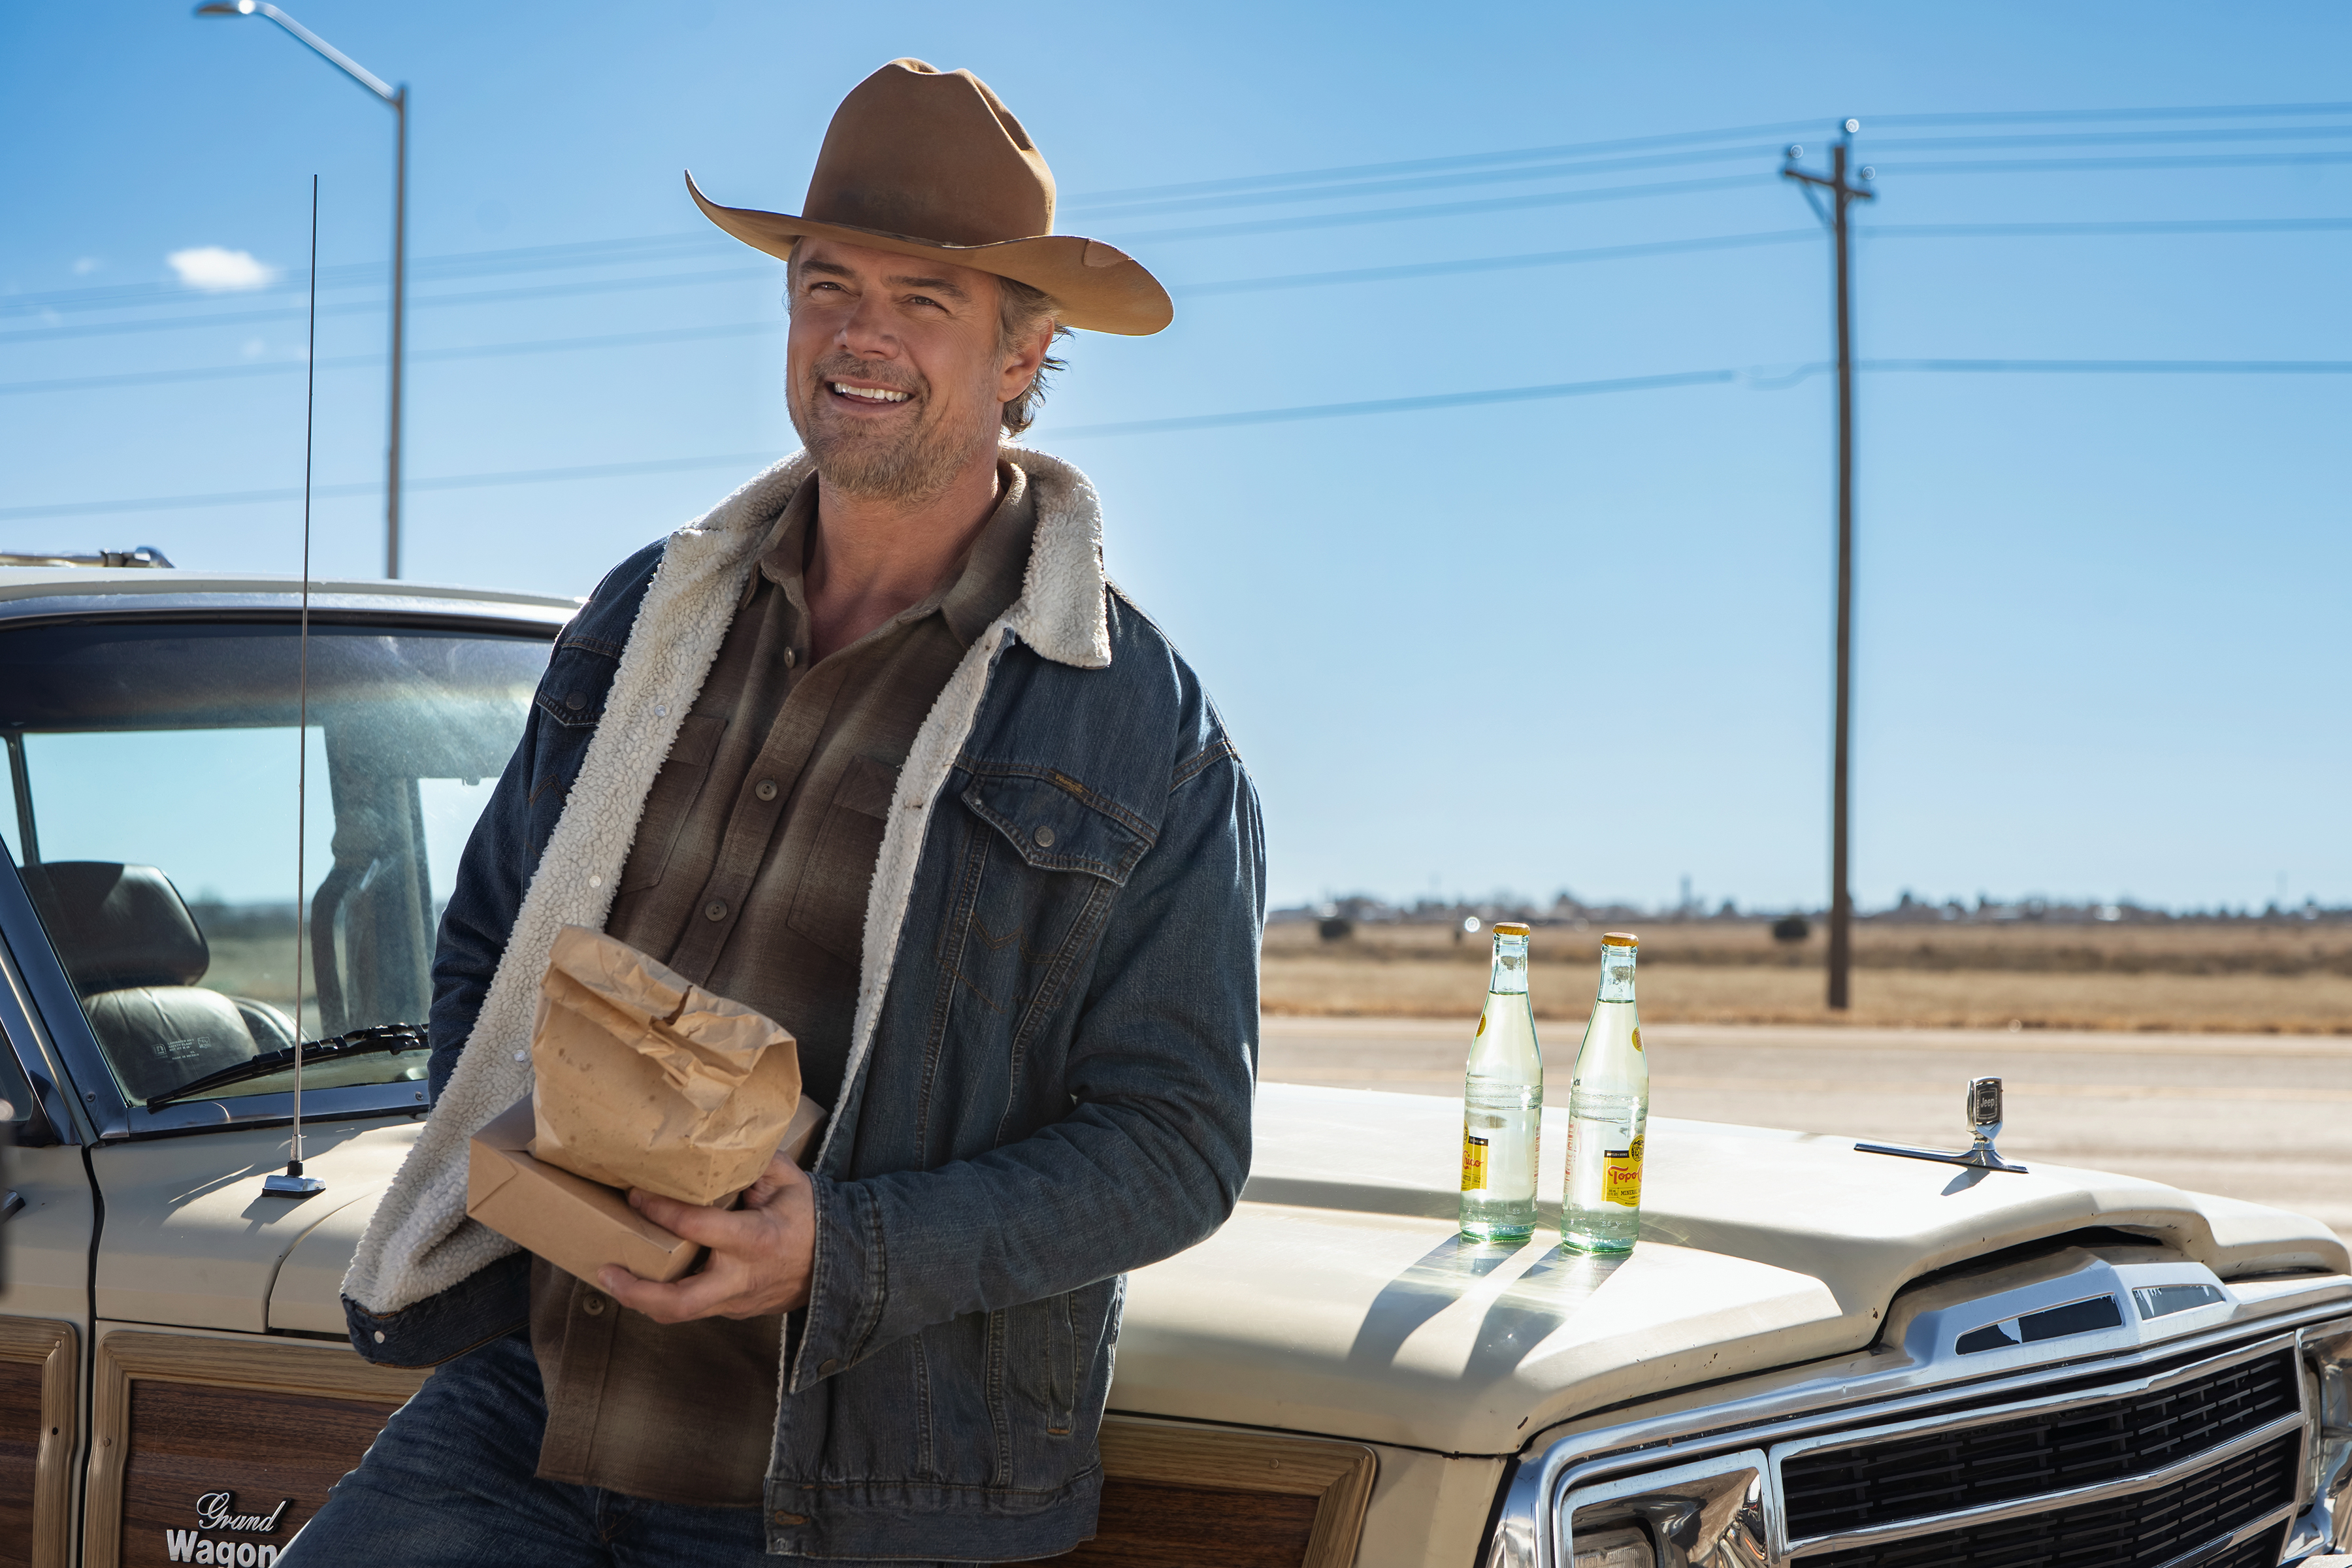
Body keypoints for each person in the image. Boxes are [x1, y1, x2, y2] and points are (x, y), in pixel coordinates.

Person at [294, 58, 1262, 1567]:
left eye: (925, 300)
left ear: (1027, 352)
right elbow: (491, 940)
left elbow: (1176, 1144)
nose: (859, 335)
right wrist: (550, 1172)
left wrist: (842, 1250)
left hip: (866, 1485)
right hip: (530, 1401)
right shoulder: (647, 617)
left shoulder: (1139, 729)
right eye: (827, 286)